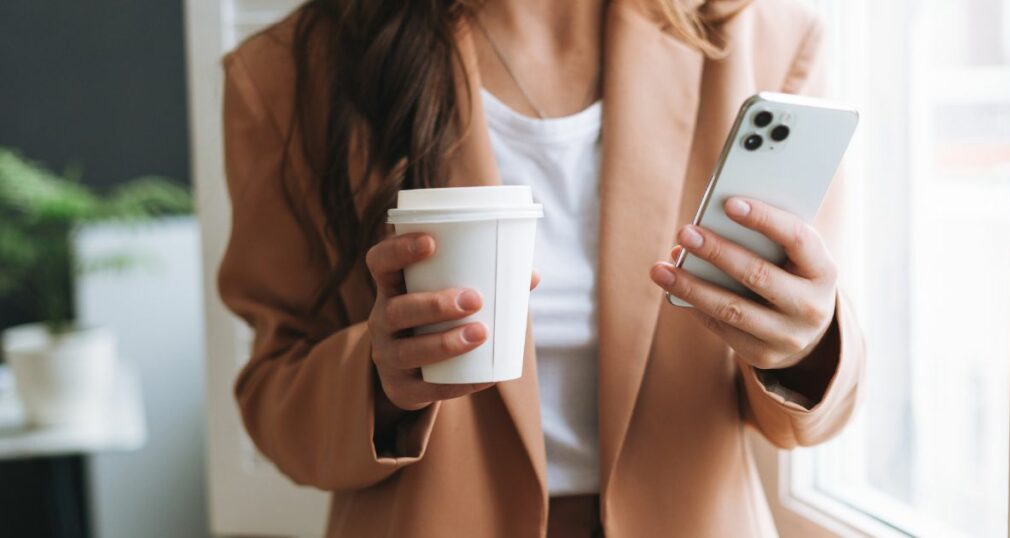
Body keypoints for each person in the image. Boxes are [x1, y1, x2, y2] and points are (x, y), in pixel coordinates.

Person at [218, 0, 864, 536]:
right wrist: (379, 379)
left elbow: (810, 412)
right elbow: (275, 396)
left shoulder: (760, 36)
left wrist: (804, 343)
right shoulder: (289, 74)